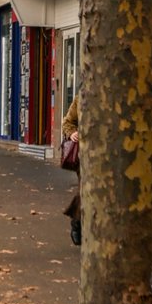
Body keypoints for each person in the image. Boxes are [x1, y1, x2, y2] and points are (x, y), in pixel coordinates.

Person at [62, 95, 81, 245]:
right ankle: (77, 222)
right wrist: (72, 133)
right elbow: (68, 122)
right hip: (86, 154)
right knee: (86, 190)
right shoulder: (81, 98)